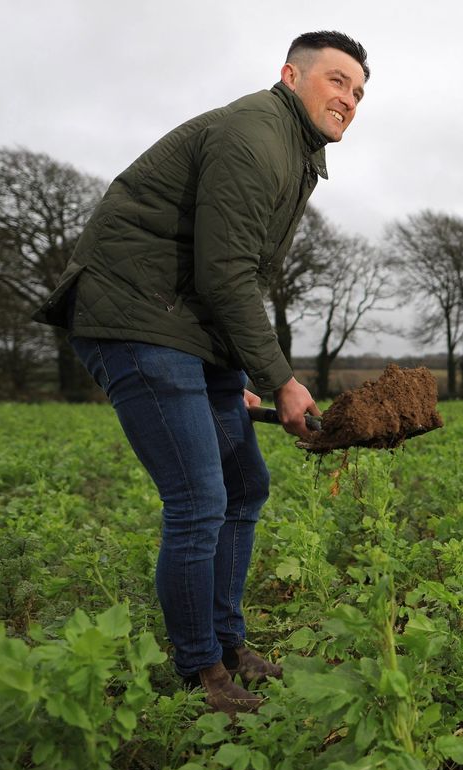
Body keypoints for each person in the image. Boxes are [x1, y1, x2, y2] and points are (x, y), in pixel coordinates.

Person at [33, 31, 370, 714]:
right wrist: (279, 377)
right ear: (291, 75)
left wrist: (231, 366)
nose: (349, 99)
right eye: (337, 81)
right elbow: (225, 273)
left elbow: (227, 267)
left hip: (186, 326)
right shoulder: (256, 136)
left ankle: (227, 643)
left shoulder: (293, 151)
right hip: (137, 317)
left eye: (359, 92)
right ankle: (202, 674)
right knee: (198, 501)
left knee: (245, 482)